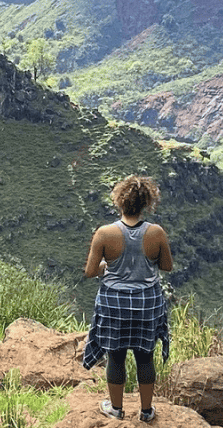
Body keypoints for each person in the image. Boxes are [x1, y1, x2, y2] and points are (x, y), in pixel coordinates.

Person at [82, 175, 173, 422]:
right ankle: (146, 411)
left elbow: (90, 272)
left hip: (114, 302)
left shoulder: (105, 233)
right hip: (147, 301)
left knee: (116, 355)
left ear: (119, 202)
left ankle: (116, 408)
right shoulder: (156, 232)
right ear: (146, 203)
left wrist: (105, 265)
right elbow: (167, 266)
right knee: (145, 355)